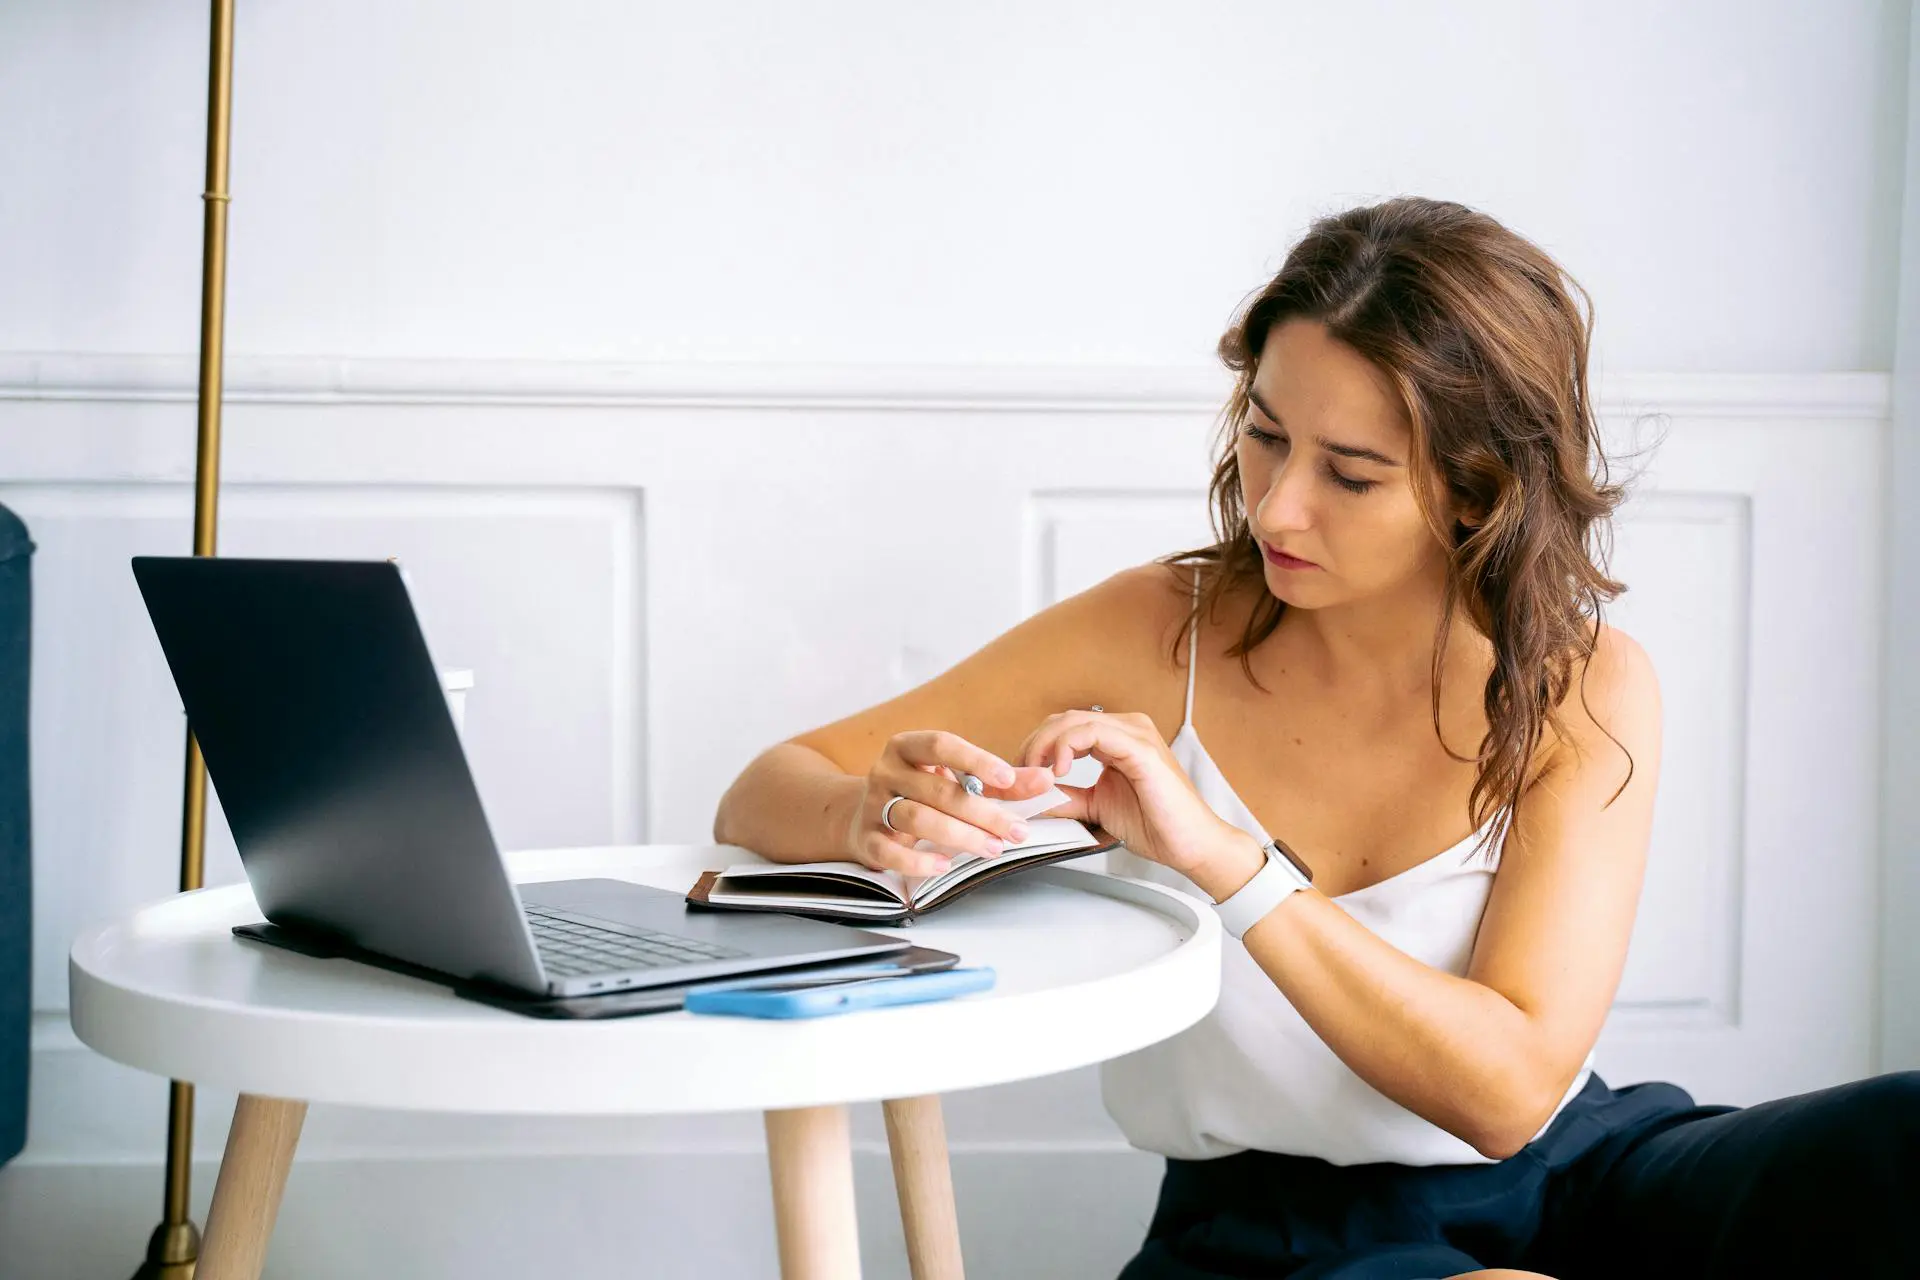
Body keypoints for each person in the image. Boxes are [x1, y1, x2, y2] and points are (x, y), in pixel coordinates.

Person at [711, 196, 1918, 1279]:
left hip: (1576, 1169)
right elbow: (769, 784)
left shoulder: (1581, 682)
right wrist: (869, 814)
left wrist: (1224, 857)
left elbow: (1506, 1094)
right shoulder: (1157, 630)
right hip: (1267, 1232)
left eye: (1349, 473)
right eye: (1267, 433)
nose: (1279, 502)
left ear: (1475, 488)